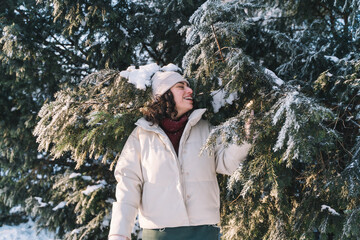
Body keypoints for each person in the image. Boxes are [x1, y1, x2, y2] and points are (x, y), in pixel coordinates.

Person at [108, 71, 252, 240]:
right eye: (180, 87)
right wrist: (119, 233)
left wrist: (246, 138)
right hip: (159, 233)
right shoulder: (141, 135)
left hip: (203, 232)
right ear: (163, 95)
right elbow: (128, 184)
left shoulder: (205, 129)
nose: (189, 91)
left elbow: (227, 164)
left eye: (188, 86)